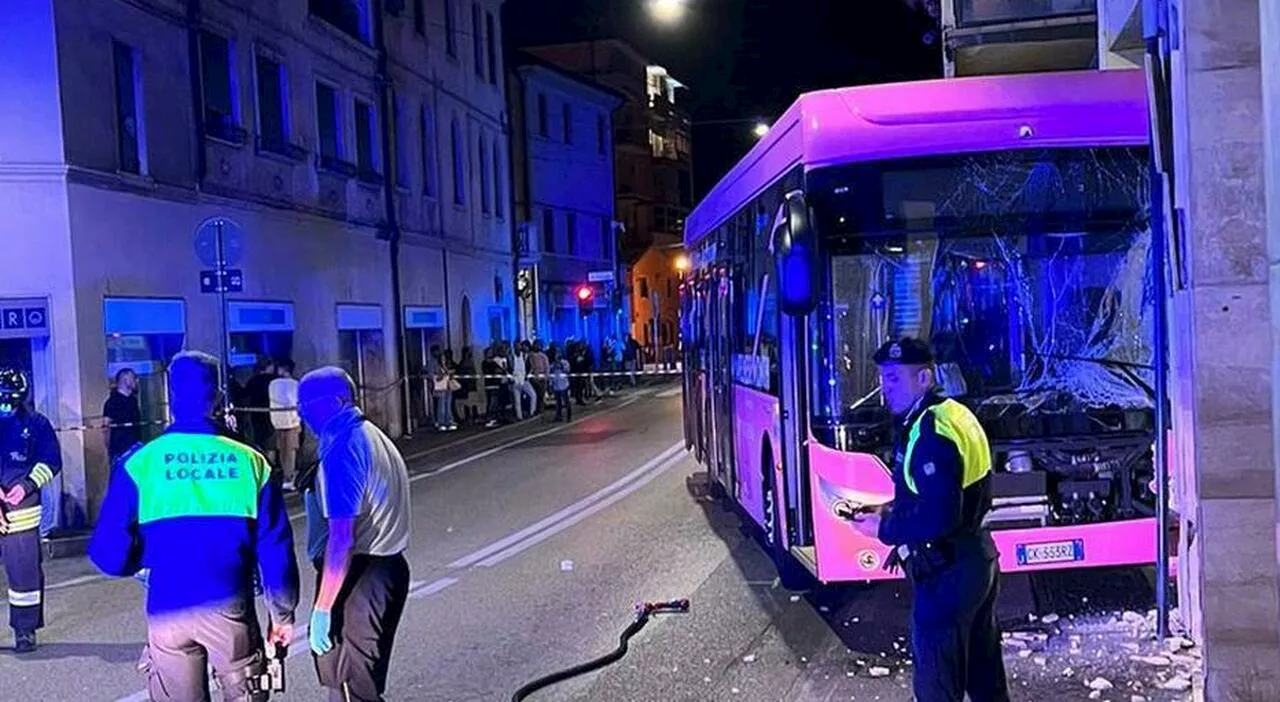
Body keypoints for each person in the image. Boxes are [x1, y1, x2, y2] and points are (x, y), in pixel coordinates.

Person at [89, 351, 299, 701]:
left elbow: (108, 554)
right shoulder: (250, 461)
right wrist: (282, 615)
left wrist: (143, 563)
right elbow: (275, 548)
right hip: (229, 603)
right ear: (216, 397)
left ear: (171, 397)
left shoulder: (141, 463)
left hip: (167, 606)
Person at [848, 338, 1009, 702]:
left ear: (923, 378)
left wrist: (884, 528)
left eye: (893, 379)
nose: (884, 389)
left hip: (946, 574)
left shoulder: (931, 431)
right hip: (976, 561)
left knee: (937, 688)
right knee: (985, 681)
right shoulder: (952, 413)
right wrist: (888, 508)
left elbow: (940, 514)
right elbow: (939, 492)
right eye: (883, 379)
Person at [297, 367, 411, 702]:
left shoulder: (344, 448)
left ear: (336, 401)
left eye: (307, 403)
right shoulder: (370, 435)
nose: (301, 412)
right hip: (383, 571)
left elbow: (342, 538)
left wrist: (323, 607)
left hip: (360, 577)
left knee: (351, 686)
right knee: (356, 684)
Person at [0, 368, 62, 653]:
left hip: (19, 510)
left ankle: (24, 630)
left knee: (24, 573)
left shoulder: (37, 424)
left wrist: (26, 486)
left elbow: (50, 461)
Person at [269, 360, 302, 490]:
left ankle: (286, 476)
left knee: (283, 451)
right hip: (292, 421)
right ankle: (289, 477)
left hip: (277, 422)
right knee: (290, 451)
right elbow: (294, 401)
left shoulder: (273, 384)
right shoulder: (295, 384)